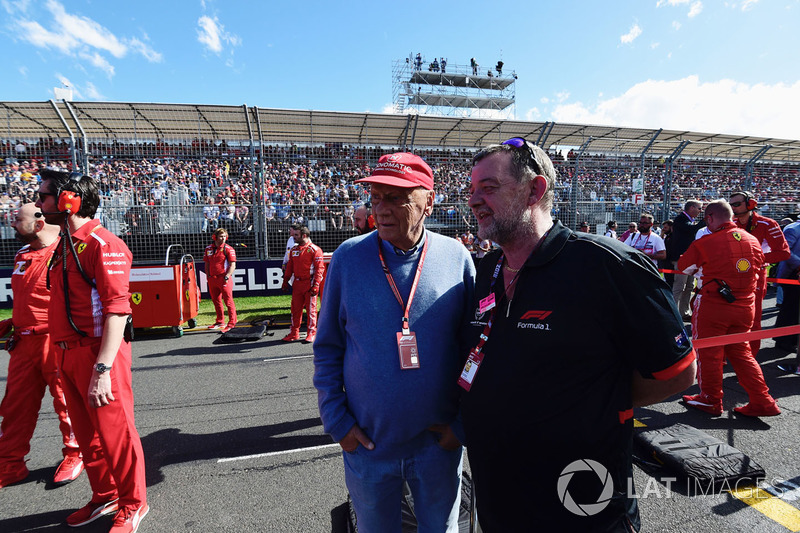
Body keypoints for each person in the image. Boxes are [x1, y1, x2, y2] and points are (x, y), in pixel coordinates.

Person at [463, 138, 695, 532]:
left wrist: (590, 400)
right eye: (471, 191)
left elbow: (678, 373)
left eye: (488, 188)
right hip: (499, 494)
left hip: (582, 501)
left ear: (535, 190)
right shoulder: (487, 268)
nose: (473, 201)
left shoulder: (607, 265)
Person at [314, 152, 475, 532]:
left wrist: (462, 426)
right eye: (376, 197)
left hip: (437, 448)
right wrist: (337, 422)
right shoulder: (349, 258)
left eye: (396, 197)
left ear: (428, 202)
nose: (381, 209)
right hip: (369, 449)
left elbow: (475, 350)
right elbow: (327, 347)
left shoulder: (456, 257)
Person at [35, 169, 148, 532]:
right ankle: (105, 495)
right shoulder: (64, 244)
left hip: (99, 356)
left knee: (117, 433)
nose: (38, 205)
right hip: (66, 353)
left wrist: (102, 369)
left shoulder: (104, 243)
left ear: (69, 201)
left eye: (44, 197)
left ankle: (134, 503)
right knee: (87, 435)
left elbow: (119, 309)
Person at [0, 203, 83, 489]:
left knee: (66, 403)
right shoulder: (22, 253)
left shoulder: (66, 251)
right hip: (23, 343)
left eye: (16, 221)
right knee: (14, 408)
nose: (11, 225)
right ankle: (10, 464)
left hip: (54, 341)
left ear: (38, 224)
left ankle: (75, 453)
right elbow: (32, 296)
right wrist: (13, 320)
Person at [678, 199, 780, 417]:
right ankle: (763, 399)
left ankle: (710, 399)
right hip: (746, 305)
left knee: (709, 352)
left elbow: (684, 267)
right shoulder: (752, 240)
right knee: (742, 353)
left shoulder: (706, 242)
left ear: (710, 218)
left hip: (714, 305)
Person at [729, 191, 790, 355]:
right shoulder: (730, 223)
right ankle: (729, 353)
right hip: (731, 276)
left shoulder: (767, 224)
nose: (733, 208)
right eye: (731, 205)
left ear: (750, 204)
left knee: (753, 318)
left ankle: (750, 356)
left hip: (755, 276)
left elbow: (783, 253)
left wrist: (754, 259)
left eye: (736, 204)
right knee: (729, 317)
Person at [281, 225, 324, 343]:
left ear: (304, 235)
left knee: (311, 310)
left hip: (309, 283)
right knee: (295, 309)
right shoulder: (294, 250)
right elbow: (289, 267)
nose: (293, 237)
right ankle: (294, 332)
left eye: (296, 235)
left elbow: (320, 269)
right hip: (297, 284)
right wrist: (285, 281)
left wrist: (315, 285)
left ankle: (312, 333)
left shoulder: (315, 249)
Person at [671, 200, 705, 320]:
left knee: (689, 286)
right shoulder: (680, 219)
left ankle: (683, 312)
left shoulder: (689, 220)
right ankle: (673, 313)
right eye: (699, 208)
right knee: (679, 286)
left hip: (691, 258)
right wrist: (705, 220)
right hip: (681, 258)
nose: (701, 211)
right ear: (691, 208)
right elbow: (692, 230)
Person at [774, 219, 800, 370]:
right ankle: (784, 341)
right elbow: (785, 252)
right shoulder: (793, 228)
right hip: (791, 274)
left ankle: (788, 340)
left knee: (793, 308)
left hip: (795, 274)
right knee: (791, 308)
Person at [203, 227, 237, 333]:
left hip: (224, 279)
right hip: (212, 279)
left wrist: (227, 276)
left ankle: (232, 323)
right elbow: (207, 263)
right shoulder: (208, 249)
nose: (222, 238)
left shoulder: (228, 249)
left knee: (228, 301)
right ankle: (220, 321)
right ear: (215, 237)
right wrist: (208, 276)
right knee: (216, 301)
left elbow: (232, 265)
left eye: (224, 236)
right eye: (220, 236)